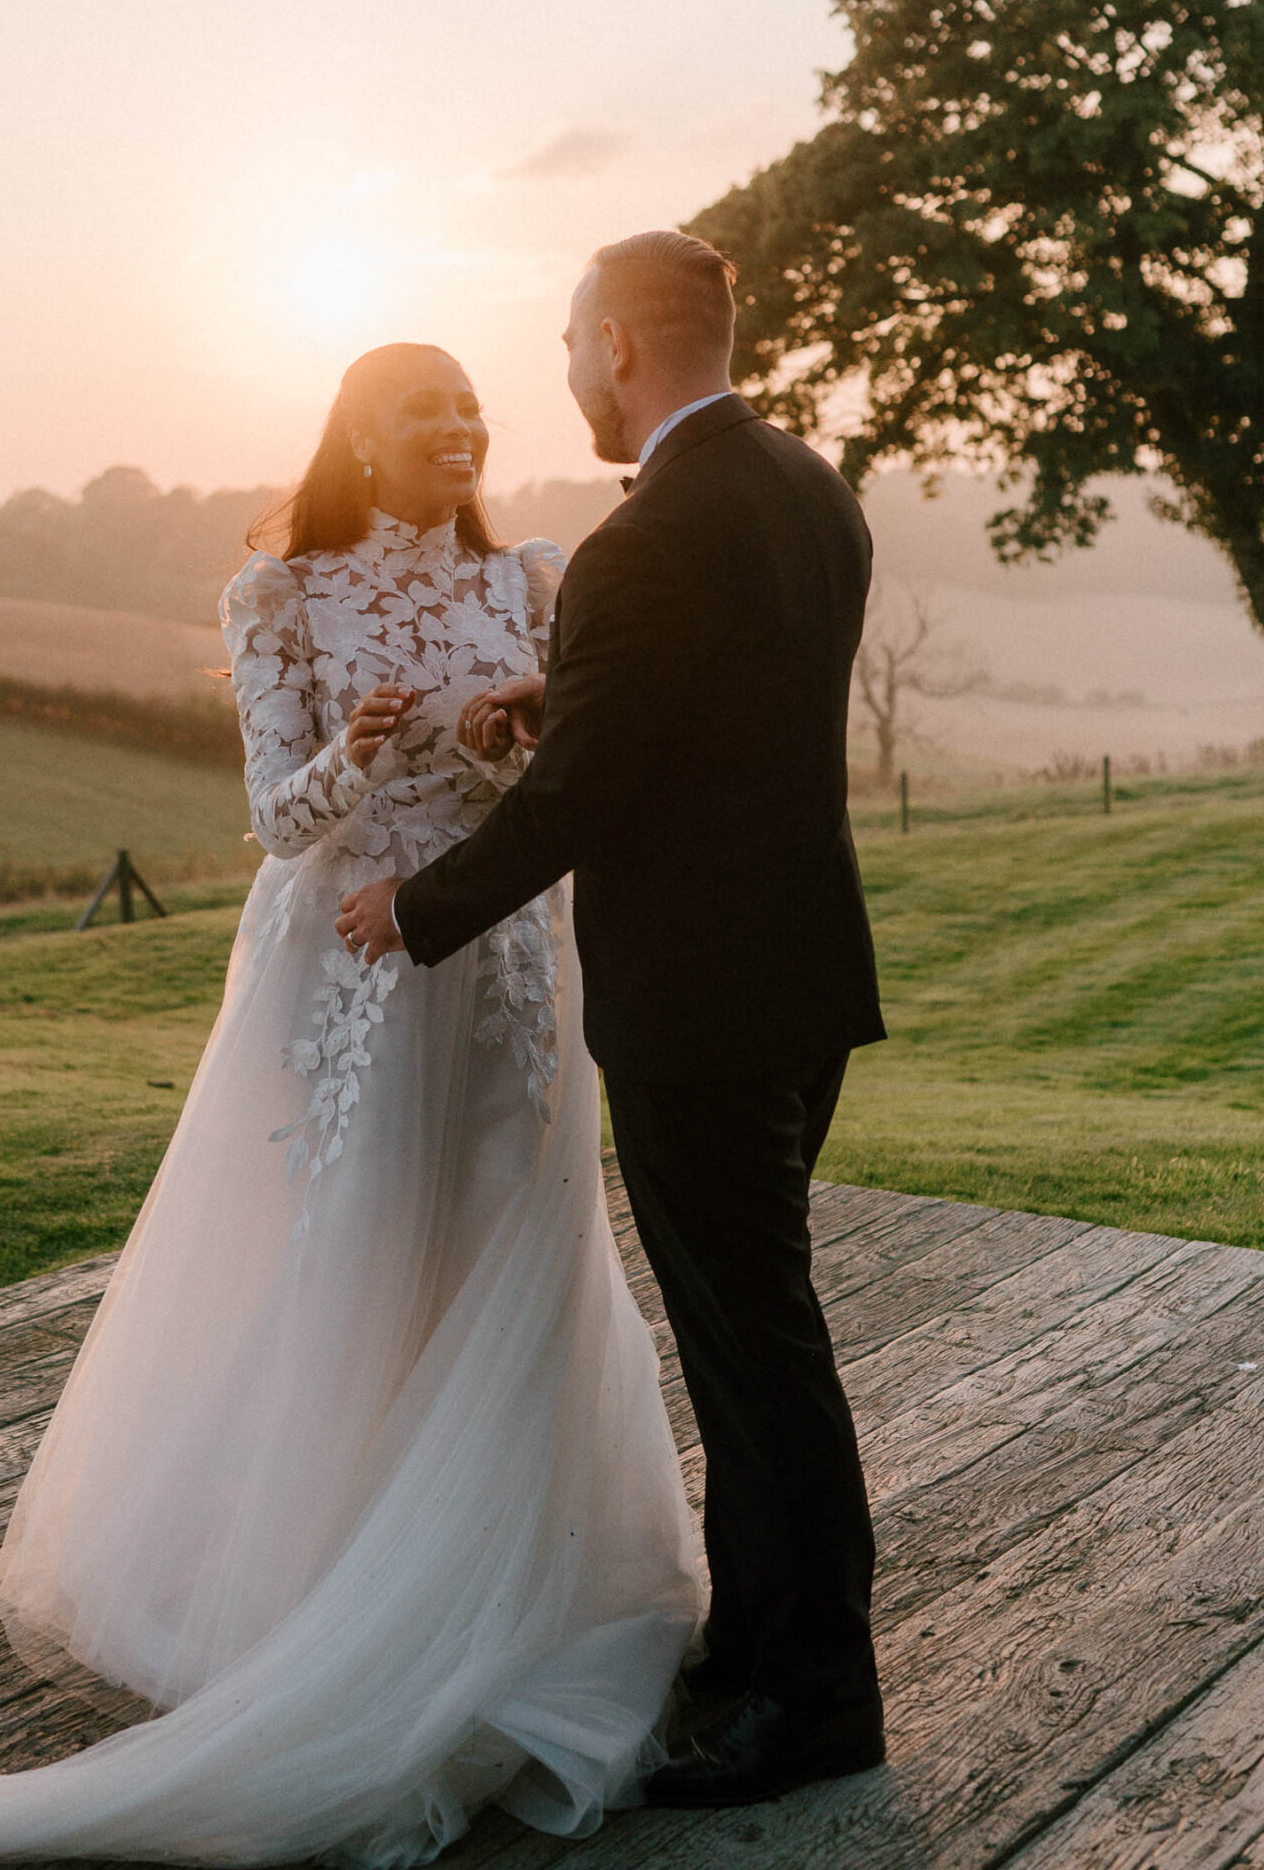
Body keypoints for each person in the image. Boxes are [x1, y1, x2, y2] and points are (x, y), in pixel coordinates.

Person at [0, 342, 698, 1870]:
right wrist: (352, 757)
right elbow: (276, 818)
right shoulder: (281, 593)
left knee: (513, 1243)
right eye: (422, 413)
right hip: (351, 965)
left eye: (467, 407)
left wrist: (503, 746)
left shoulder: (535, 577)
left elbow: (550, 781)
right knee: (359, 1246)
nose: (458, 428)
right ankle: (321, 1596)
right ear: (362, 441)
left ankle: (517, 1589)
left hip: (503, 962)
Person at [337, 234, 888, 1813]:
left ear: (625, 345)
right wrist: (560, 692)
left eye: (574, 342)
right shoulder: (810, 488)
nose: (570, 371)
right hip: (801, 980)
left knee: (758, 1354)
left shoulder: (644, 538)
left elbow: (579, 800)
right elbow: (710, 719)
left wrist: (416, 906)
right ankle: (757, 1649)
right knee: (750, 1333)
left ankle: (818, 1702)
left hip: (698, 1007)